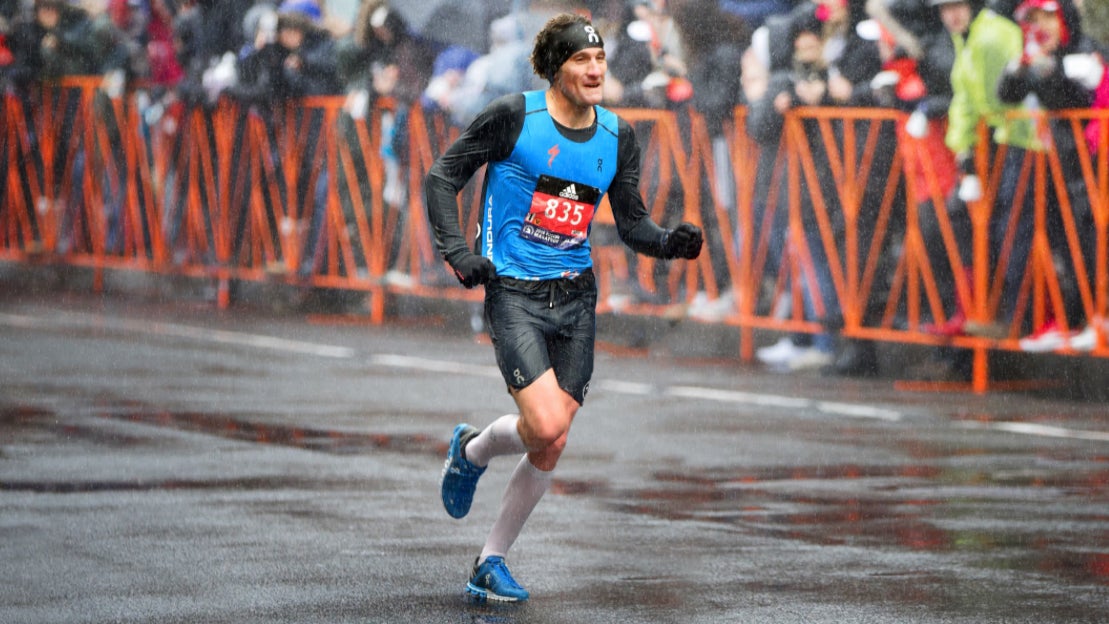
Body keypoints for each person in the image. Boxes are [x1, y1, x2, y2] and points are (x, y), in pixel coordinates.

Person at [426, 12, 703, 603]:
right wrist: (458, 253)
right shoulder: (513, 117)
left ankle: (489, 559)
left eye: (600, 59)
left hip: (576, 298)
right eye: (582, 59)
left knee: (550, 440)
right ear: (555, 68)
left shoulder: (617, 136)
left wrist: (667, 243)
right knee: (547, 424)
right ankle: (473, 452)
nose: (595, 69)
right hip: (515, 293)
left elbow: (631, 222)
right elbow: (442, 176)